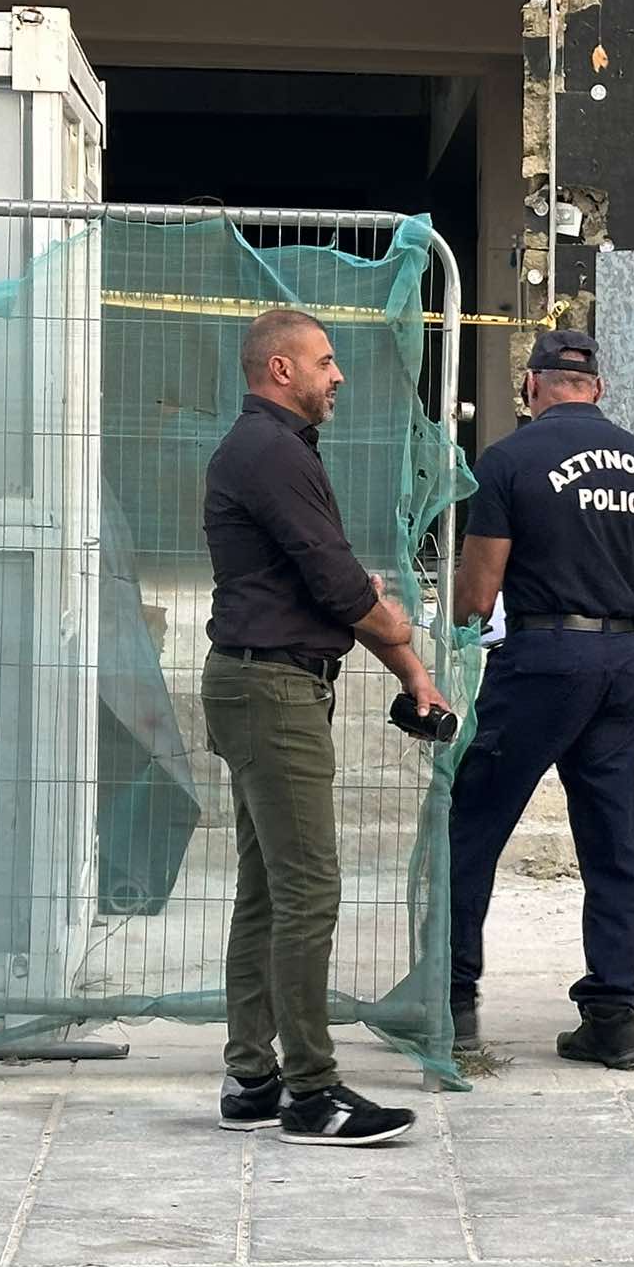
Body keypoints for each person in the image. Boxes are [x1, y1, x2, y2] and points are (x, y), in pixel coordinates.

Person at [201, 308, 450, 1147]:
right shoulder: (270, 452)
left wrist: (404, 662)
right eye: (325, 361)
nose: (338, 376)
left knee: (269, 890)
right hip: (273, 690)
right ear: (281, 369)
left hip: (261, 682)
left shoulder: (271, 449)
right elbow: (339, 585)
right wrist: (396, 626)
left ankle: (251, 1078)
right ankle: (311, 1093)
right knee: (307, 889)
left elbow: (328, 583)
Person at [448, 329, 634, 1071]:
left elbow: (477, 594)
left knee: (473, 827)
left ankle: (452, 1002)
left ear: (531, 387)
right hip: (622, 664)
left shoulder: (508, 461)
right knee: (614, 841)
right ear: (598, 389)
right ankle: (615, 1018)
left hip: (541, 659)